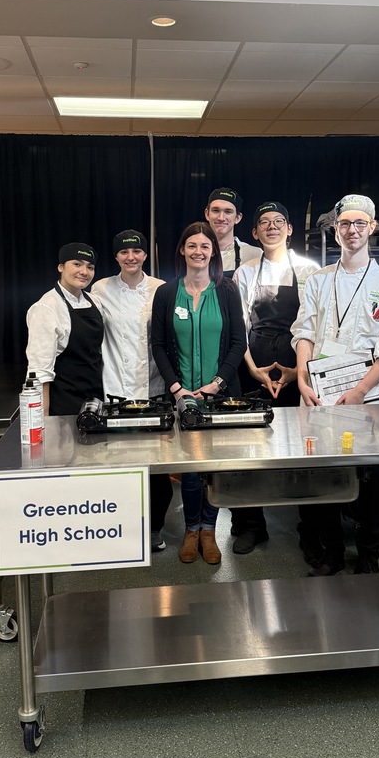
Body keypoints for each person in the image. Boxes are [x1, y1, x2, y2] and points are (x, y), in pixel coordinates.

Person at [291, 194, 379, 575]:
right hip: (322, 395)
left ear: (372, 228)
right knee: (325, 474)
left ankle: (369, 554)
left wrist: (360, 391)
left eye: (360, 224)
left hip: (366, 396)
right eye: (345, 224)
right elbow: (304, 331)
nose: (352, 230)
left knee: (369, 476)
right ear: (336, 230)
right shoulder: (318, 281)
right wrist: (303, 380)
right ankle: (332, 553)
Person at [151, 222, 246, 565]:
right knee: (190, 470)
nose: (198, 252)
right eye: (192, 245)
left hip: (219, 395)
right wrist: (177, 388)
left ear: (213, 252)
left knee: (214, 468)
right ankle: (192, 529)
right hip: (181, 396)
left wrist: (217, 383)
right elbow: (158, 345)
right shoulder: (166, 293)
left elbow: (238, 343)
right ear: (182, 250)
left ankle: (210, 529)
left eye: (205, 246)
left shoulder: (227, 291)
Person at [231, 200, 320, 553]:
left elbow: (312, 325)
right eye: (263, 222)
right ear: (254, 232)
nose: (271, 227)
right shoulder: (244, 273)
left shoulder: (311, 271)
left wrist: (297, 370)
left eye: (278, 221)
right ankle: (252, 527)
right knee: (249, 451)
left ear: (289, 229)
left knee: (302, 452)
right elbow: (238, 327)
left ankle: (309, 531)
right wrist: (253, 368)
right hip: (254, 370)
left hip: (296, 369)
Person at [91, 229, 173, 553]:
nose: (131, 257)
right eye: (124, 253)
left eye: (136, 252)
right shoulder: (101, 289)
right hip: (116, 387)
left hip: (154, 387)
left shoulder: (161, 289)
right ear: (116, 257)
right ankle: (121, 526)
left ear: (144, 255)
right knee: (119, 464)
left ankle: (154, 528)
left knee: (157, 466)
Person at [26, 241, 104, 415]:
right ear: (61, 267)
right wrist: (44, 421)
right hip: (64, 403)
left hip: (95, 400)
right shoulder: (47, 307)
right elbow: (40, 371)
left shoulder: (94, 302)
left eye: (90, 267)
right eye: (77, 264)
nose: (84, 272)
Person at [204, 186, 260, 280]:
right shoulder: (196, 252)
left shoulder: (254, 254)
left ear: (238, 218)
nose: (221, 218)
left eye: (228, 212)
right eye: (216, 211)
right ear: (207, 214)